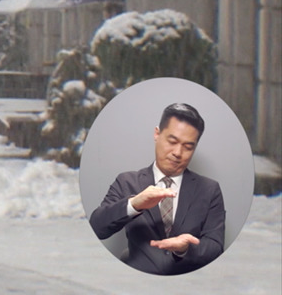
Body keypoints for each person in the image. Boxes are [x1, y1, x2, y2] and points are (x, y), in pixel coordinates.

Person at [88, 102, 226, 275]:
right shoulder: (127, 182)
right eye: (172, 141)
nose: (177, 152)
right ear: (157, 134)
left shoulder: (209, 189)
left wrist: (185, 249)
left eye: (188, 147)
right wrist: (133, 204)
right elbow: (97, 227)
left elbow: (216, 247)